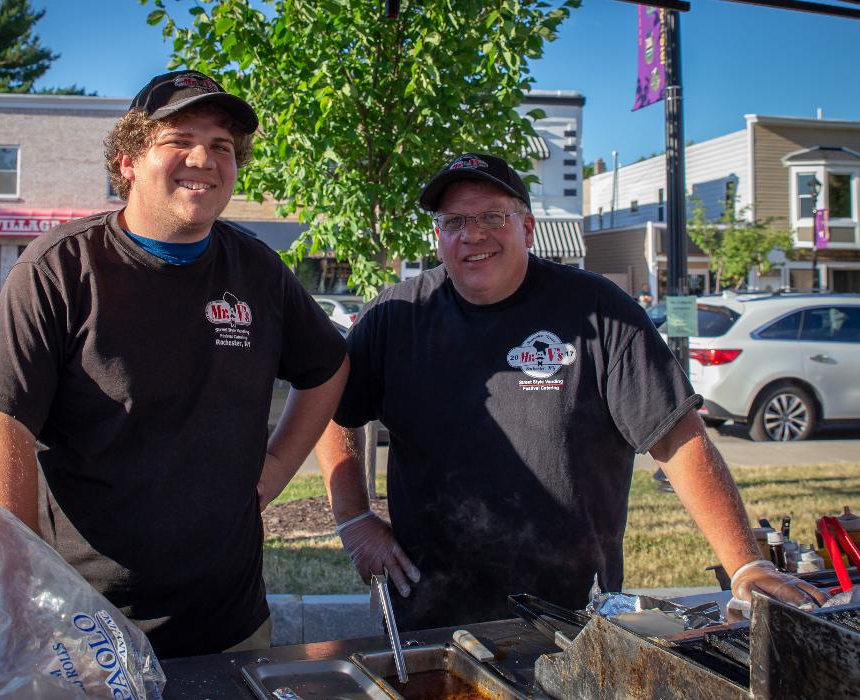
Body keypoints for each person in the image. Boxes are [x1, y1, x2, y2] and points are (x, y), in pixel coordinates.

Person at [315, 152, 826, 630]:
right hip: (429, 615)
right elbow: (331, 409)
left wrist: (745, 565)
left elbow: (677, 438)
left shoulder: (598, 311)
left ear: (528, 227)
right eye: (455, 222)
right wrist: (354, 519)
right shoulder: (398, 315)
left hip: (571, 620)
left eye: (493, 217)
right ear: (438, 234)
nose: (473, 235)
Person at [0, 70, 348, 658]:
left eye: (222, 146)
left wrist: (276, 467)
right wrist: (22, 598)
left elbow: (327, 368)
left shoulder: (257, 270)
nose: (203, 159)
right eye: (179, 139)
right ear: (129, 159)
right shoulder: (61, 268)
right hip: (90, 629)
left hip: (231, 626)